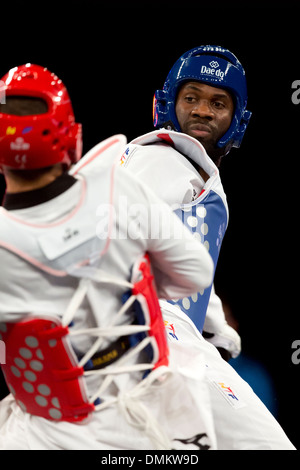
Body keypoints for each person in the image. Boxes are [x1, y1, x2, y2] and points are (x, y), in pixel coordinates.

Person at [0, 63, 217, 450]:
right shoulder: (117, 186)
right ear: (72, 136)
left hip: (47, 434)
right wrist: (130, 277)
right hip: (157, 419)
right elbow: (196, 274)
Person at [120, 45, 296, 449]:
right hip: (156, 333)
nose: (202, 110)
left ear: (238, 119)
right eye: (191, 98)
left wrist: (219, 331)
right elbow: (115, 230)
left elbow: (183, 263)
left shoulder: (181, 168)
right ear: (167, 104)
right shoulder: (163, 157)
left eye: (218, 102)